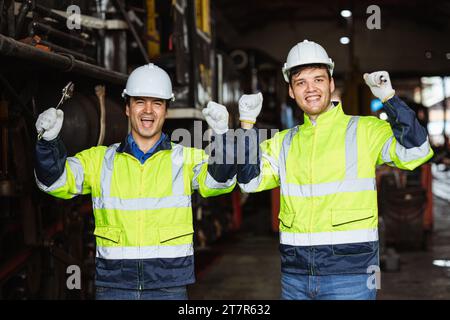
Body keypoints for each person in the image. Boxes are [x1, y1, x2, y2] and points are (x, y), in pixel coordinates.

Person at [234, 40, 434, 300]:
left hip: (350, 275)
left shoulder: (365, 130)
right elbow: (249, 183)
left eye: (318, 79)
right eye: (301, 82)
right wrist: (246, 128)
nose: (311, 89)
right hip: (296, 275)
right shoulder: (282, 142)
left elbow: (418, 151)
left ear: (330, 84)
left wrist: (390, 99)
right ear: (292, 92)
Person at [34, 63, 235, 300]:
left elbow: (220, 181)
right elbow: (54, 182)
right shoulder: (100, 161)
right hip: (115, 285)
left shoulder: (185, 159)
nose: (148, 111)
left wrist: (223, 139)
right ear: (128, 108)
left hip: (168, 285)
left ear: (166, 110)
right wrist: (48, 143)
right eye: (140, 102)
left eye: (157, 103)